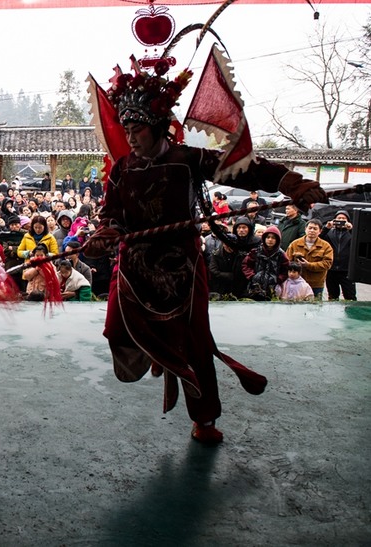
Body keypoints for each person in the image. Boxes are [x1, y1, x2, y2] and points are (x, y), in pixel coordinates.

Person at [83, 61, 326, 444]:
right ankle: (159, 355)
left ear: (160, 126)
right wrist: (105, 233)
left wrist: (289, 181)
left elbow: (245, 169)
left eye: (138, 129)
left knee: (197, 344)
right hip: (133, 267)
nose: (131, 137)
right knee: (117, 331)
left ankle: (205, 419)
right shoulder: (121, 169)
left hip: (182, 266)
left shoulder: (189, 160)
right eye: (127, 130)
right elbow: (112, 215)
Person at [285, 219, 333, 299]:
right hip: (296, 282)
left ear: (320, 231)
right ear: (305, 229)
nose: (312, 231)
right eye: (310, 228)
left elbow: (327, 264)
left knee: (315, 308)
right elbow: (287, 261)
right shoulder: (295, 244)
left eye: (315, 229)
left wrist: (309, 265)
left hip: (316, 284)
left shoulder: (326, 246)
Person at [241, 225, 288, 300]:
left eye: (273, 238)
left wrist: (278, 279)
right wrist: (252, 276)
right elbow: (246, 264)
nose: (270, 240)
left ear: (277, 240)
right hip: (255, 286)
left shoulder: (281, 254)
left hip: (272, 288)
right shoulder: (256, 251)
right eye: (268, 237)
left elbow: (286, 270)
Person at [321, 210, 356, 301]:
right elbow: (319, 239)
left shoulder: (352, 233)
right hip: (331, 270)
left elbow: (359, 242)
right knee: (332, 296)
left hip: (346, 270)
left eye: (343, 219)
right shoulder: (329, 233)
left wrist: (352, 229)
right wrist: (326, 228)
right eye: (339, 218)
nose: (341, 220)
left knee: (350, 296)